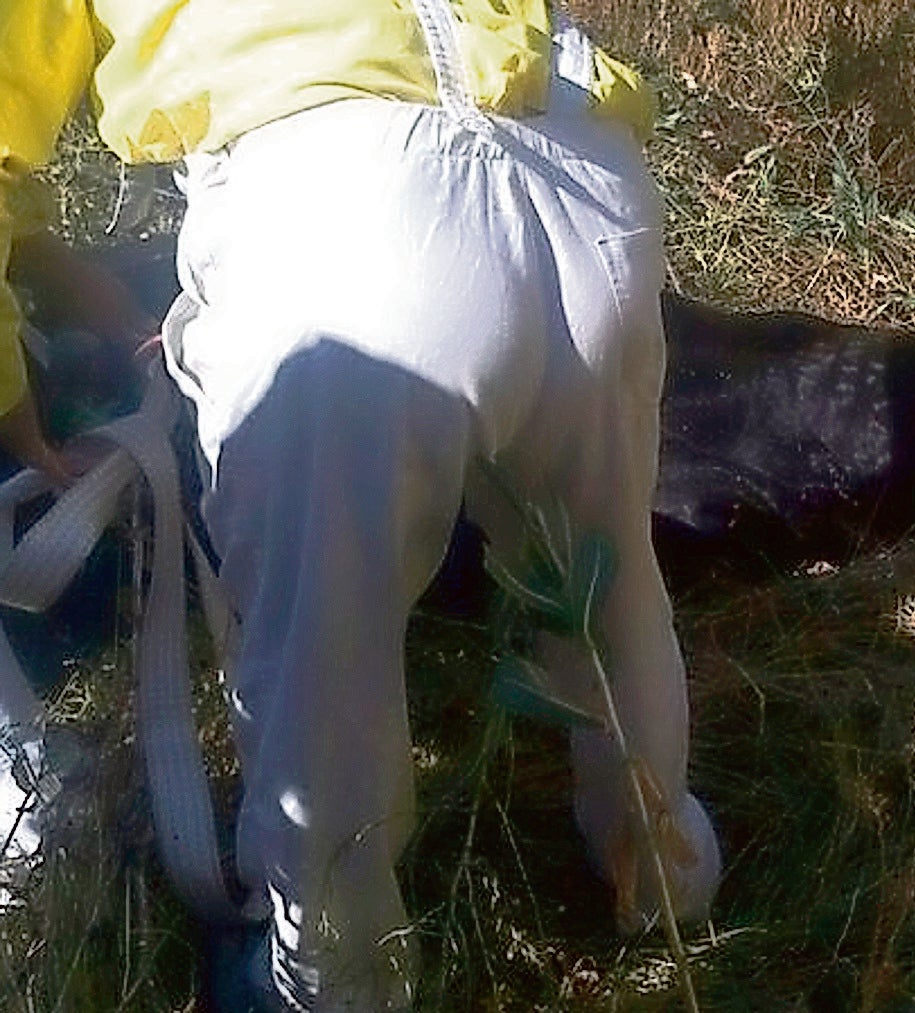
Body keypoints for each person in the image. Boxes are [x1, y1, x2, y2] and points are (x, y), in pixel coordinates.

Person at [0, 1, 721, 1008]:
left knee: (322, 638)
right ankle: (664, 868)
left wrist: (9, 388)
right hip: (575, 158)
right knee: (606, 571)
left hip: (336, 191)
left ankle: (330, 971)